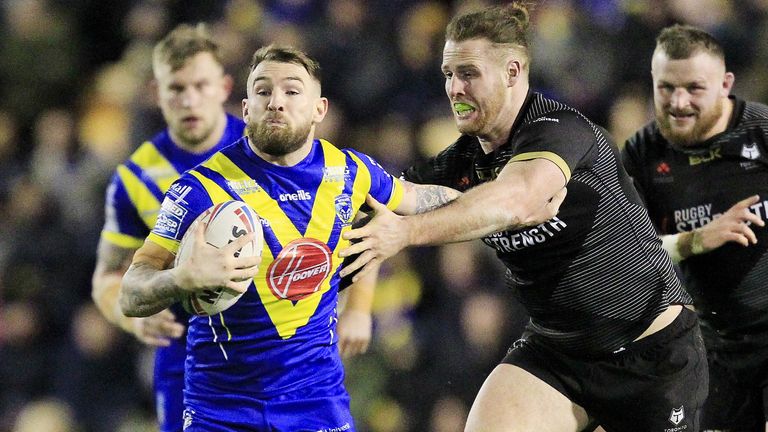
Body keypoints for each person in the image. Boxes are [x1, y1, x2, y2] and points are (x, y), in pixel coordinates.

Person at [118, 44, 554, 431]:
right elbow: (132, 293)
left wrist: (507, 201)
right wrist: (181, 279)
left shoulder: (350, 172)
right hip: (221, 408)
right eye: (263, 91)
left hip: (314, 401)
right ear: (245, 109)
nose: (276, 102)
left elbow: (418, 199)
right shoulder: (199, 189)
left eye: (292, 91)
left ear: (319, 110)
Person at [339, 4, 708, 431]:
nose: (454, 88)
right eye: (447, 75)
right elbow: (381, 206)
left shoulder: (560, 129)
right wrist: (360, 302)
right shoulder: (458, 162)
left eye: (469, 73)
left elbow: (517, 198)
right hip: (557, 354)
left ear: (513, 71)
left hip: (649, 353)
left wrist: (407, 232)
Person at [90, 25, 372, 431]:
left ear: (224, 88)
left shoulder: (270, 138)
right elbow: (107, 277)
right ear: (157, 93)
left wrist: (360, 307)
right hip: (187, 352)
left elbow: (356, 210)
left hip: (286, 355)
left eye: (201, 85)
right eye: (176, 88)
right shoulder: (134, 179)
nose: (189, 100)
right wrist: (132, 318)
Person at [622, 24, 768, 432]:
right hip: (712, 350)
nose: (678, 102)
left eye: (694, 88)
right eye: (666, 87)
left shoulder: (763, 132)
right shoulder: (642, 154)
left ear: (725, 84)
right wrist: (698, 239)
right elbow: (624, 256)